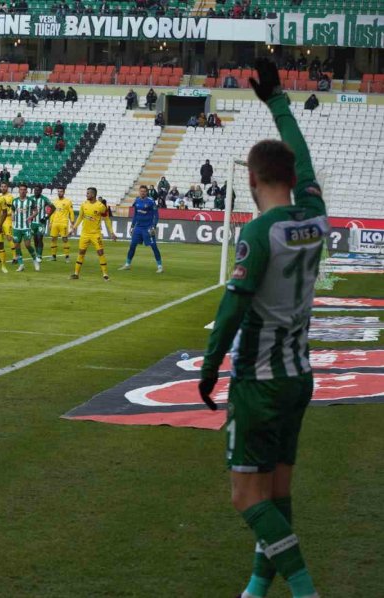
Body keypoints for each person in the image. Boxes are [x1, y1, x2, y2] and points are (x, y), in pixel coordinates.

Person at [199, 58, 328, 598]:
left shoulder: (258, 232)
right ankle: (256, 587)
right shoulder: (316, 217)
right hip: (299, 375)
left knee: (246, 498)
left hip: (260, 380)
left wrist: (209, 370)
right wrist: (278, 104)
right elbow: (303, 161)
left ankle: (304, 590)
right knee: (277, 493)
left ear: (251, 179)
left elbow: (231, 312)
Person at [70, 186, 116, 280]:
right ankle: (76, 274)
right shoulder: (84, 204)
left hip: (96, 234)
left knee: (100, 252)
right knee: (81, 252)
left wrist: (111, 232)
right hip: (85, 233)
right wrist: (74, 228)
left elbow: (107, 219)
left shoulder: (101, 206)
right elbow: (80, 217)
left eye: (88, 193)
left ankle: (105, 274)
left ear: (93, 194)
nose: (86, 195)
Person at [120, 185, 162, 273]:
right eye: (141, 191)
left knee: (154, 246)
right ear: (139, 192)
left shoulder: (151, 201)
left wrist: (154, 226)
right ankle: (127, 264)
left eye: (144, 191)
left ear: (147, 192)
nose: (142, 192)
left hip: (148, 228)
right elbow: (135, 214)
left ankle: (160, 266)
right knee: (132, 245)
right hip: (138, 227)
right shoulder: (137, 201)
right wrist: (132, 226)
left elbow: (156, 215)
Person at [9, 183, 39, 272]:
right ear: (19, 190)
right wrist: (13, 216)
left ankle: (35, 259)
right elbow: (13, 211)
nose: (22, 191)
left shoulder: (30, 201)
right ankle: (21, 264)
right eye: (21, 189)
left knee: (27, 245)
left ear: (27, 191)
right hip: (17, 227)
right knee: (16, 246)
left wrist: (31, 217)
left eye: (24, 190)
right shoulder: (15, 201)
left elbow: (36, 211)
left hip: (26, 227)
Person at [48, 186, 75, 262]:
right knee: (53, 239)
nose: (59, 193)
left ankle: (67, 257)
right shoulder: (55, 201)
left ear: (64, 192)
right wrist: (50, 222)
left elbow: (71, 212)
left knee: (65, 239)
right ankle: (53, 256)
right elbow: (52, 213)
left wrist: (72, 222)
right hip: (55, 223)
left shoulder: (68, 201)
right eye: (58, 191)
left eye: (61, 191)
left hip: (63, 223)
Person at [30, 184, 53, 263]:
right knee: (35, 239)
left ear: (41, 191)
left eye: (38, 190)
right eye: (35, 190)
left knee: (40, 237)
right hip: (33, 223)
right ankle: (37, 254)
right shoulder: (30, 199)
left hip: (41, 222)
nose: (36, 191)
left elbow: (53, 207)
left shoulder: (45, 199)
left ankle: (39, 255)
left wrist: (46, 217)